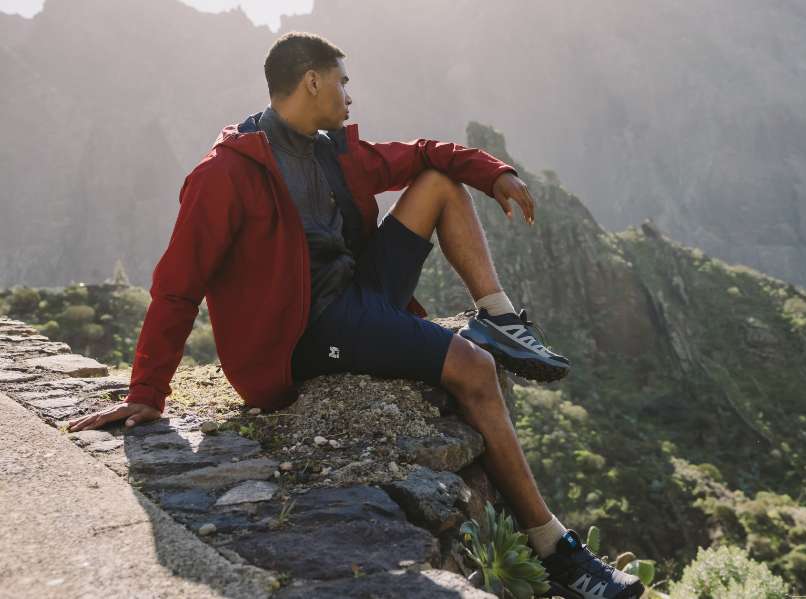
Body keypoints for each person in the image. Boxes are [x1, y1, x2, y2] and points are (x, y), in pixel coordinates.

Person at [67, 32, 643, 599]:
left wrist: (493, 172)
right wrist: (148, 391)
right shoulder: (225, 174)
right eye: (343, 82)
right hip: (308, 332)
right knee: (473, 368)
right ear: (312, 82)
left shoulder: (330, 151)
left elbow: (424, 154)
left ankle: (499, 317)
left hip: (357, 294)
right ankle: (555, 549)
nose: (350, 95)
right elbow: (177, 287)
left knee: (440, 183)